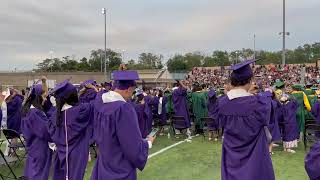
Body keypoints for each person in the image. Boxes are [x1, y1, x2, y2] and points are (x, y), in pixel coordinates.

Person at [216, 59, 275, 180]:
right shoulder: (258, 103)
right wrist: (265, 93)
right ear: (249, 82)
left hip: (231, 158)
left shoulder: (222, 103)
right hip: (255, 159)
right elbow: (267, 117)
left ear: (232, 82)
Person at [91, 69, 155, 180]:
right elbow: (131, 145)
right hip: (120, 166)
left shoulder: (100, 104)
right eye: (132, 91)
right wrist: (147, 143)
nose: (131, 95)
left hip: (104, 163)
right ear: (129, 89)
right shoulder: (123, 109)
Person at [48, 79, 93, 180]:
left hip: (60, 153)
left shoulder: (55, 115)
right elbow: (97, 103)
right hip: (77, 153)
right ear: (73, 96)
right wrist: (94, 89)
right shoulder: (82, 110)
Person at [21, 78, 52, 180]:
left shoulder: (29, 110)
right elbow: (45, 131)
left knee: (32, 172)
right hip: (40, 148)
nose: (45, 99)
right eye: (43, 97)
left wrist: (44, 83)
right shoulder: (35, 113)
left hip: (33, 146)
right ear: (38, 97)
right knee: (38, 174)